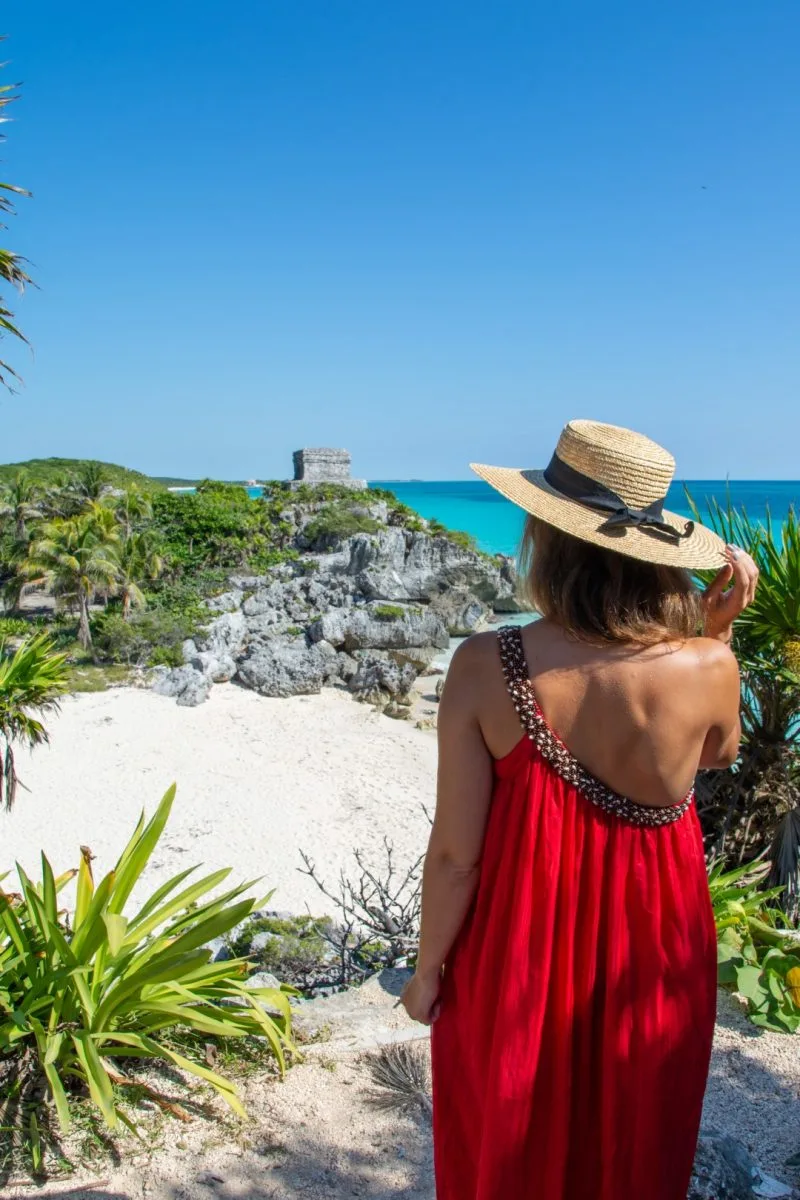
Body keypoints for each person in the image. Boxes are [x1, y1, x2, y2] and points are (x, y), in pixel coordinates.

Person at [401, 420, 759, 1200]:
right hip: (656, 946)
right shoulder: (711, 662)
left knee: (510, 1142)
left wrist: (427, 973)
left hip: (519, 943)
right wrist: (713, 634)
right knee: (636, 1136)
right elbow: (714, 755)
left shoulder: (482, 667)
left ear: (550, 538)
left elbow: (457, 857)